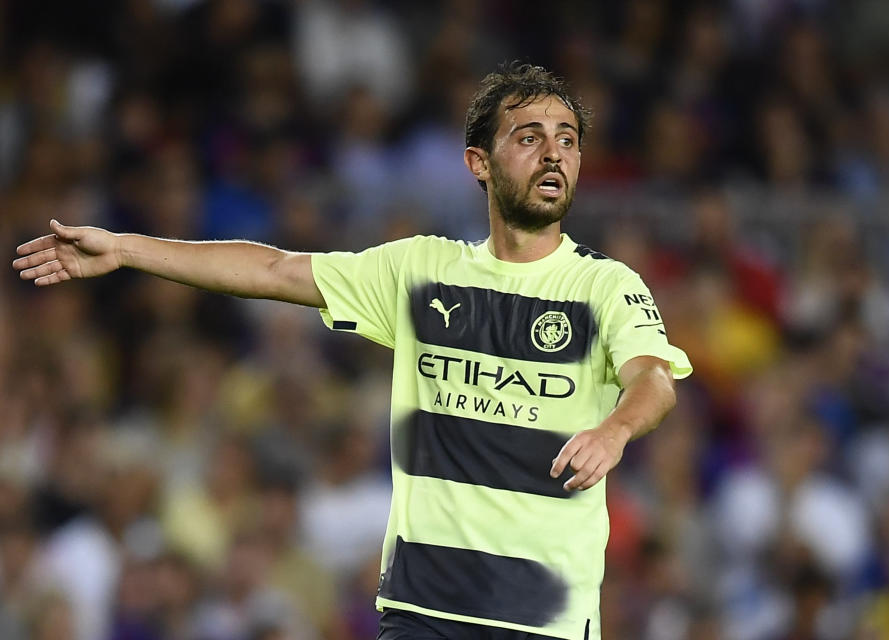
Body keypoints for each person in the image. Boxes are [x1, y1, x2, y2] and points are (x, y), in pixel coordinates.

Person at [13, 62, 692, 640]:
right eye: (530, 137)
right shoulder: (420, 270)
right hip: (423, 607)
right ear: (478, 163)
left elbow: (653, 381)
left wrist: (613, 428)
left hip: (542, 615)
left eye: (567, 140)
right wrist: (126, 249)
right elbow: (274, 269)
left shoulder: (604, 285)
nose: (553, 153)